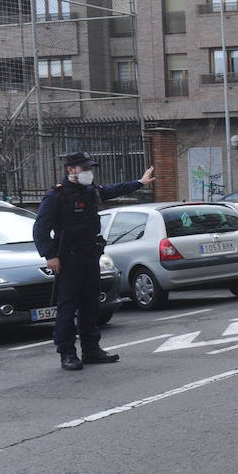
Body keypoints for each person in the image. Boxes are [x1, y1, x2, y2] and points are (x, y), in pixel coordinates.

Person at [34, 152, 155, 371]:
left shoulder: (90, 191)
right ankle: (67, 354)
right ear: (71, 170)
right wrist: (50, 256)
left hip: (91, 257)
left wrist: (139, 183)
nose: (89, 173)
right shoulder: (57, 195)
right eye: (84, 169)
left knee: (90, 305)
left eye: (90, 169)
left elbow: (112, 190)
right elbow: (40, 228)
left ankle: (91, 350)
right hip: (68, 258)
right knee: (67, 307)